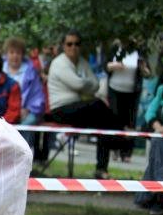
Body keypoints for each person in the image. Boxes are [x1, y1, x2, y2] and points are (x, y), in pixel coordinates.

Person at [44, 31, 126, 178]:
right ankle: (121, 140)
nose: (73, 47)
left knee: (103, 124)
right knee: (98, 104)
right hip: (60, 110)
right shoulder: (59, 63)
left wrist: (83, 84)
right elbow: (79, 84)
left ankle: (101, 169)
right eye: (69, 44)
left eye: (77, 44)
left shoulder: (82, 62)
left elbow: (95, 85)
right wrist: (84, 84)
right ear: (63, 46)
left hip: (79, 108)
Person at [135, 55, 163, 215]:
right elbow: (150, 113)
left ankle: (160, 195)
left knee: (161, 143)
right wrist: (159, 127)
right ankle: (161, 193)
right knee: (158, 140)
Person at [105, 38, 148, 162]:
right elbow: (105, 66)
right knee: (115, 120)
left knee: (130, 122)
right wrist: (115, 65)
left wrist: (142, 68)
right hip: (114, 89)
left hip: (132, 92)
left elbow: (147, 72)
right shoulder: (115, 49)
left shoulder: (138, 52)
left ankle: (127, 153)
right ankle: (115, 150)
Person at [2, 37, 46, 146]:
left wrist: (28, 109)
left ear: (22, 55)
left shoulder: (31, 72)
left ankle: (24, 150)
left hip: (26, 111)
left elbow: (38, 97)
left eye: (18, 53)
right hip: (4, 110)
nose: (15, 56)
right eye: (12, 52)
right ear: (6, 54)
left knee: (28, 122)